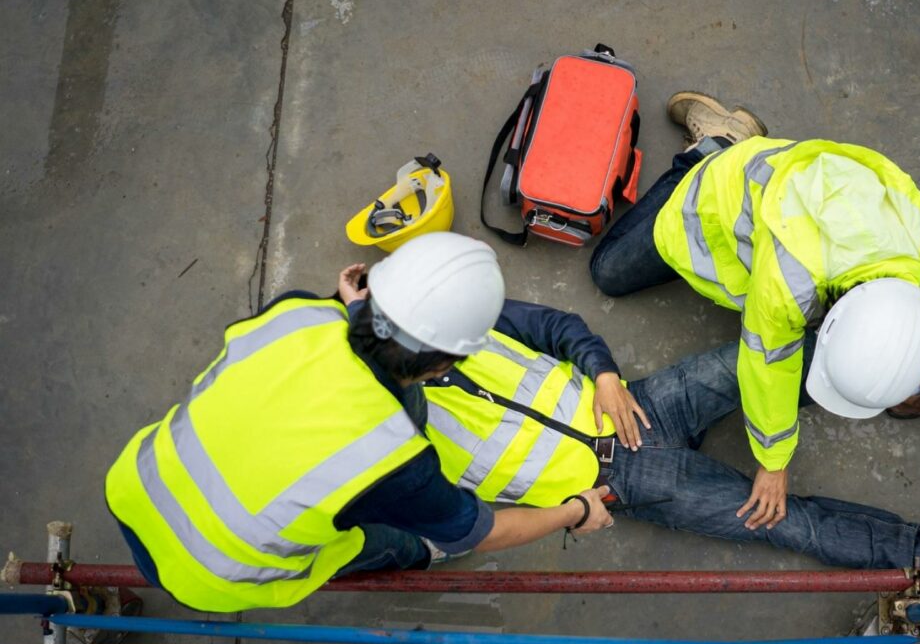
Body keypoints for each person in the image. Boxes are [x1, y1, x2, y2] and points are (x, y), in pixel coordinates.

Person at [361, 291, 920, 605]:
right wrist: (574, 513)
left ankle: (898, 386)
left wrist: (603, 373)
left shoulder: (450, 318)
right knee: (776, 518)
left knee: (766, 361)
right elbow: (460, 531)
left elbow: (555, 328)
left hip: (640, 402)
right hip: (625, 481)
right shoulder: (394, 453)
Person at [105, 233, 612, 613]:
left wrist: (353, 312)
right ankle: (418, 553)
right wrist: (574, 511)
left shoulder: (297, 311)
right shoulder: (394, 457)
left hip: (136, 483)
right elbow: (484, 532)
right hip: (212, 573)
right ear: (441, 367)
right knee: (388, 538)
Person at [589, 92, 920, 536]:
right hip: (715, 199)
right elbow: (767, 367)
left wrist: (898, 361)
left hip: (797, 203)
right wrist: (774, 462)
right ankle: (716, 144)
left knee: (860, 348)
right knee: (609, 272)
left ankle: (908, 389)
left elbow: (904, 315)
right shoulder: (788, 283)